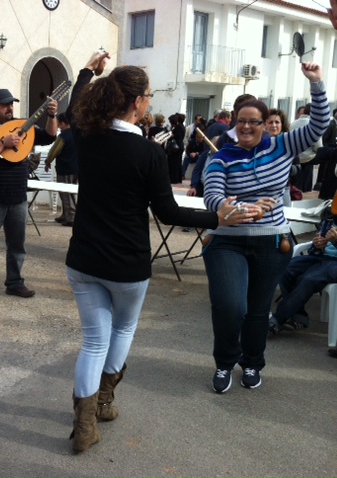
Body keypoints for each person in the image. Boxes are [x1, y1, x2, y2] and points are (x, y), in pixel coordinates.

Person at [63, 51, 249, 453]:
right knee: (122, 330)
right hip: (126, 265)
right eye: (148, 94)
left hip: (82, 259)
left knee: (93, 341)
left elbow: (73, 107)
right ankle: (104, 402)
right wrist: (220, 220)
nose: (151, 100)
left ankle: (84, 425)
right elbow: (167, 212)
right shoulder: (148, 152)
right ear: (136, 102)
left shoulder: (87, 135)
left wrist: (87, 71)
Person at [202, 62, 330, 394]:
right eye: (241, 121)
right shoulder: (222, 157)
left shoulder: (282, 146)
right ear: (234, 124)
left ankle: (252, 363)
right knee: (231, 306)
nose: (247, 126)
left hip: (271, 243)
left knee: (258, 311)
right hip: (227, 242)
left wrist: (316, 83)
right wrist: (240, 209)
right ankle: (224, 362)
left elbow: (319, 123)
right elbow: (213, 196)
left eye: (254, 121)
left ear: (264, 125)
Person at [0, 88, 58, 305]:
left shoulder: (22, 125)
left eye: (11, 104)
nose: (10, 108)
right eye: (4, 104)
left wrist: (52, 115)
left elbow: (49, 136)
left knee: (17, 245)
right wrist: (2, 144)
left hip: (18, 197)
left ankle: (15, 282)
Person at [269, 205, 337, 334]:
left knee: (309, 279)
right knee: (285, 269)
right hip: (321, 257)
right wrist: (317, 244)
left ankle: (277, 319)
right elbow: (315, 247)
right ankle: (299, 317)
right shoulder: (330, 214)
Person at [44, 112, 78, 226]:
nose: (57, 126)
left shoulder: (63, 136)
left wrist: (48, 161)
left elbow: (54, 150)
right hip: (77, 169)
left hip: (65, 168)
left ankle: (70, 217)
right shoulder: (77, 134)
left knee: (65, 193)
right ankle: (65, 214)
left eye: (58, 124)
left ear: (63, 123)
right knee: (72, 193)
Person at [166, 113, 185, 184]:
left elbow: (176, 136)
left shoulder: (178, 127)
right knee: (178, 163)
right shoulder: (182, 126)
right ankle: (178, 178)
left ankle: (174, 179)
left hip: (176, 147)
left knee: (174, 163)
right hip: (180, 146)